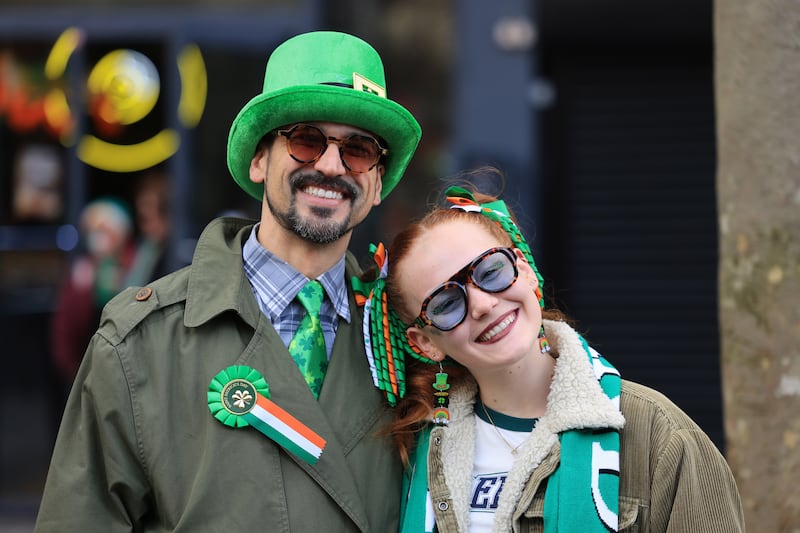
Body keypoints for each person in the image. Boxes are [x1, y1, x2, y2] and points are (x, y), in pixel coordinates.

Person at [35, 30, 421, 532]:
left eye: (360, 149)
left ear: (375, 184)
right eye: (305, 139)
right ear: (259, 160)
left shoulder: (409, 341)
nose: (331, 164)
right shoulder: (138, 343)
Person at [353, 183, 745, 532]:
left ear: (523, 269)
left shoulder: (659, 437)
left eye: (491, 271)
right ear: (425, 343)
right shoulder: (412, 452)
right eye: (446, 303)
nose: (484, 304)